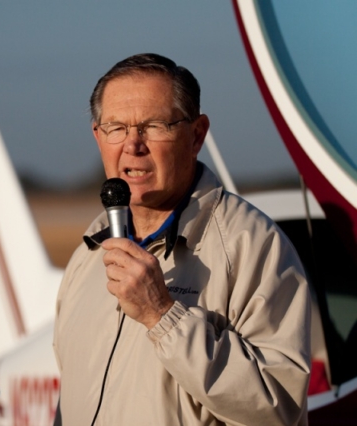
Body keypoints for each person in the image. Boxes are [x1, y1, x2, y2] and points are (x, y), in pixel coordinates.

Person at [53, 54, 311, 425]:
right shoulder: (87, 256)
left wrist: (162, 316)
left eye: (155, 126)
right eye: (116, 128)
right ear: (98, 137)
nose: (133, 145)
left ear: (197, 135)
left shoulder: (255, 246)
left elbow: (278, 407)